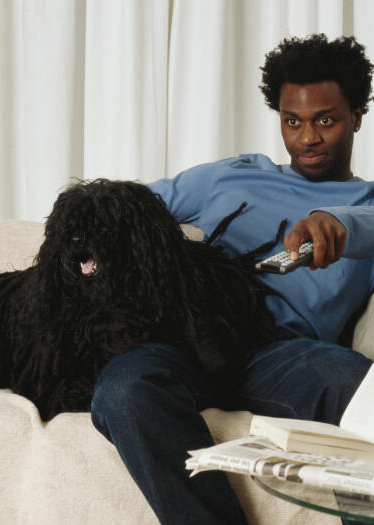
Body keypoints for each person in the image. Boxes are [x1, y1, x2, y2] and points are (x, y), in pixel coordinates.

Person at [90, 34, 374, 525]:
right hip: (188, 333)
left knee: (353, 383)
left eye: (325, 120)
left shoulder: (366, 203)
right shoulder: (231, 176)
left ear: (357, 117)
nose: (307, 138)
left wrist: (340, 224)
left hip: (282, 352)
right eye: (292, 121)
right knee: (123, 390)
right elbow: (125, 213)